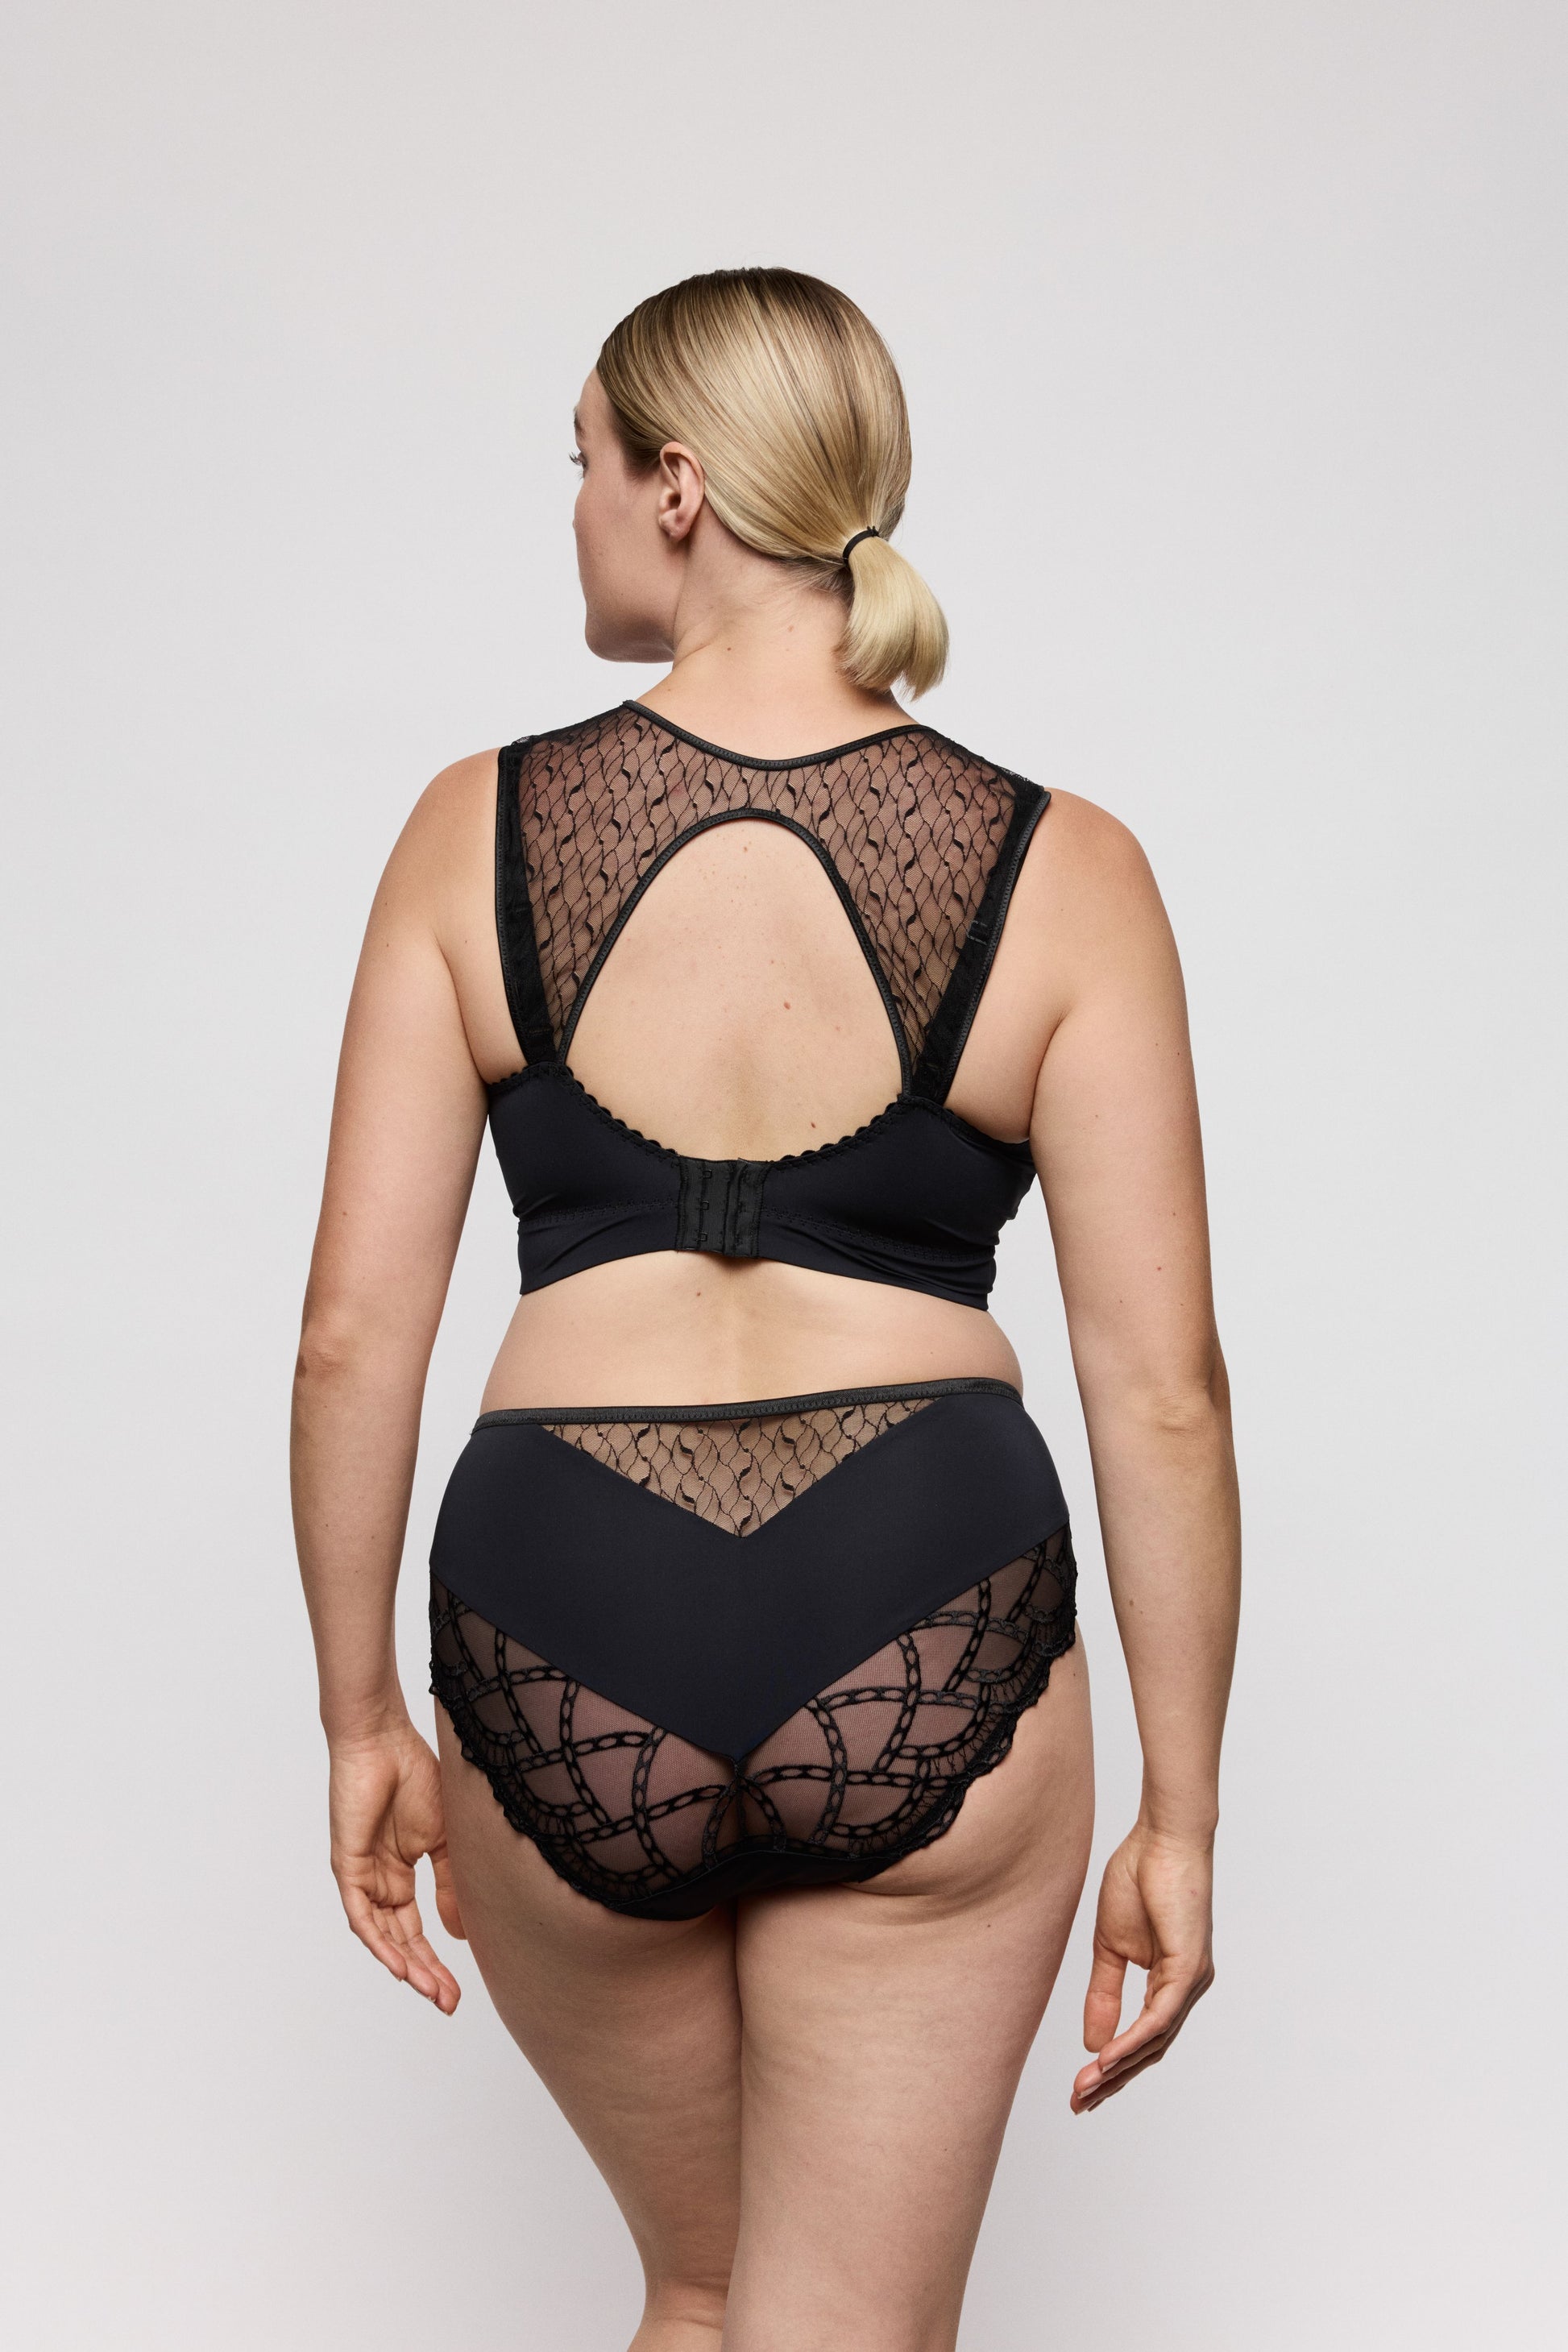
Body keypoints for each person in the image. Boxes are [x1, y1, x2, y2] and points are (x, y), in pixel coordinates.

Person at [292, 267, 1240, 2352]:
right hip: (919, 1577)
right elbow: (1160, 1389)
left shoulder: (471, 831)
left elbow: (352, 1337)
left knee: (703, 2294)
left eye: (579, 460)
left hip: (562, 1603)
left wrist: (361, 1715)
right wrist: (1180, 1810)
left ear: (679, 485)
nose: (569, 506)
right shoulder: (1064, 866)